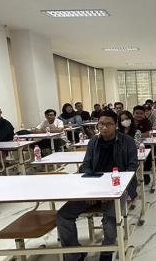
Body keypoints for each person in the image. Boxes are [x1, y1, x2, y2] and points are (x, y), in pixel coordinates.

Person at [56, 110, 138, 261]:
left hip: (118, 188)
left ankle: (106, 252)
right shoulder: (94, 141)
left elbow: (132, 169)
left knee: (110, 219)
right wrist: (93, 190)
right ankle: (74, 254)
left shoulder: (127, 141)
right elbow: (85, 165)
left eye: (108, 124)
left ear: (116, 125)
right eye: (101, 124)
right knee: (63, 215)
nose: (104, 127)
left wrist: (108, 192)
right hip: (93, 187)